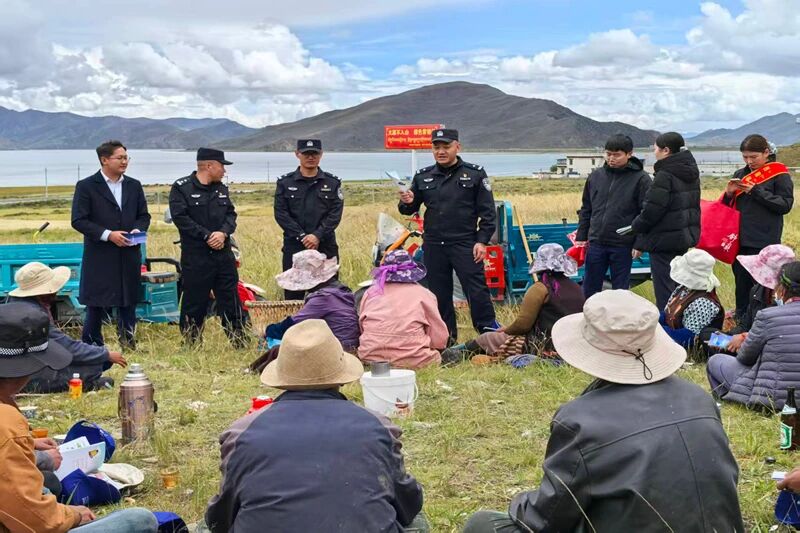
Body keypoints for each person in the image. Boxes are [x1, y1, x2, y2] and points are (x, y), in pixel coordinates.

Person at [463, 290, 744, 533]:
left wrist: (520, 501)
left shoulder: (580, 420)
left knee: (482, 523)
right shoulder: (699, 398)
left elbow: (546, 518)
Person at [206, 319, 428, 532]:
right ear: (342, 377)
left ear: (281, 376)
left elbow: (220, 518)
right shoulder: (379, 428)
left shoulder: (240, 433)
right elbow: (408, 505)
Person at [0, 301, 158, 533]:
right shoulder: (7, 423)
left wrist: (28, 445)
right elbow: (37, 520)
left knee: (47, 484)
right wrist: (72, 515)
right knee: (140, 520)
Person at [398, 128, 497, 343]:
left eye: (446, 146)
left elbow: (488, 213)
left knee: (476, 291)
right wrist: (406, 201)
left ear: (457, 147)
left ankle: (489, 335)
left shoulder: (475, 174)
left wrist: (482, 241)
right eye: (436, 147)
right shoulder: (423, 176)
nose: (441, 151)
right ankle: (447, 340)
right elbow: (409, 208)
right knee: (439, 294)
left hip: (465, 243)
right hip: (434, 245)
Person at [442, 243, 584, 364]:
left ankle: (452, 354)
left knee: (488, 338)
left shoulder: (539, 289)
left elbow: (523, 325)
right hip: (571, 345)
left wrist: (506, 330)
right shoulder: (577, 288)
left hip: (545, 346)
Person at [71, 140, 150, 349]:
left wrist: (137, 229)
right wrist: (108, 234)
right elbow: (78, 220)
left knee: (128, 300)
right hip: (100, 254)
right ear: (104, 160)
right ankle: (91, 345)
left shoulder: (134, 185)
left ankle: (128, 341)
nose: (125, 161)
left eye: (126, 157)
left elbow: (144, 215)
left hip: (129, 252)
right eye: (120, 157)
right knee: (96, 303)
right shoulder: (87, 186)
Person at [5, 262, 127, 392]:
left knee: (95, 362)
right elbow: (67, 347)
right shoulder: (33, 316)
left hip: (15, 369)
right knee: (94, 367)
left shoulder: (15, 305)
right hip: (25, 375)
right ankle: (89, 383)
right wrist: (105, 354)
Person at [168, 148, 246, 347]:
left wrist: (223, 233)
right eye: (222, 166)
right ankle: (192, 342)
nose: (224, 171)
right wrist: (206, 235)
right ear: (209, 166)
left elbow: (231, 215)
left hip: (223, 255)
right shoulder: (181, 188)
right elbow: (181, 218)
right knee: (195, 301)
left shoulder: (221, 188)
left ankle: (239, 340)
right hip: (196, 256)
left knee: (230, 299)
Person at [707, 261, 800, 411]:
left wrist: (745, 341)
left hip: (770, 399)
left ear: (782, 289)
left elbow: (745, 358)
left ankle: (725, 401)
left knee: (715, 361)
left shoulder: (767, 316)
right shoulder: (758, 296)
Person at [722, 134, 794, 320]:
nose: (749, 161)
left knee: (763, 286)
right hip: (739, 237)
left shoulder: (779, 174)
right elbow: (727, 208)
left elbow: (784, 205)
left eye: (753, 157)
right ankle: (741, 317)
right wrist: (729, 194)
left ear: (766, 152)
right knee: (741, 282)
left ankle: (763, 320)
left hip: (765, 238)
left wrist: (755, 191)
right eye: (745, 157)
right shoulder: (740, 174)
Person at [252, 250, 359, 373]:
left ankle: (253, 371)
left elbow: (293, 325)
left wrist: (268, 330)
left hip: (336, 351)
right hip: (347, 348)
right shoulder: (341, 292)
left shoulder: (323, 298)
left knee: (279, 350)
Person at [575, 134, 651, 299]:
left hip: (623, 245)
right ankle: (587, 320)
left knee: (620, 291)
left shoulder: (641, 179)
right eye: (608, 154)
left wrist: (640, 244)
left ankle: (618, 322)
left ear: (629, 154)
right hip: (596, 242)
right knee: (589, 288)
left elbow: (646, 214)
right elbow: (586, 208)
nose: (611, 158)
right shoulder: (596, 176)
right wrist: (582, 235)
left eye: (617, 155)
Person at [631, 132, 701, 310]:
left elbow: (652, 210)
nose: (654, 151)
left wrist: (636, 227)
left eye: (655, 148)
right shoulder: (689, 171)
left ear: (666, 150)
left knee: (664, 288)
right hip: (682, 236)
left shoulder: (665, 174)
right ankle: (680, 322)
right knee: (678, 284)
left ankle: (667, 328)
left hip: (663, 240)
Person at [274, 139, 344, 300]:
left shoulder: (332, 183)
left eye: (315, 153)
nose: (311, 157)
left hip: (324, 246)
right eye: (306, 153)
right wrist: (302, 236)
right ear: (297, 154)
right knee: (293, 297)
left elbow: (335, 214)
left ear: (321, 154)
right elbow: (281, 213)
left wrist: (317, 235)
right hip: (295, 246)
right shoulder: (285, 183)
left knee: (328, 294)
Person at [358, 250, 448, 369]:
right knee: (437, 357)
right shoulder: (423, 294)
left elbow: (362, 325)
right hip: (414, 358)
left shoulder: (371, 292)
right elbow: (439, 337)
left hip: (371, 356)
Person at [725, 244, 796, 351]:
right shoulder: (757, 290)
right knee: (708, 335)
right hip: (751, 342)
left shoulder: (792, 299)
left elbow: (783, 334)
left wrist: (745, 338)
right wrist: (728, 337)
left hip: (773, 348)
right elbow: (746, 324)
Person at [659, 249, 724, 350]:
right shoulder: (683, 288)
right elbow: (667, 314)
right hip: (672, 336)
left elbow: (687, 338)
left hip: (688, 346)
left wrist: (657, 331)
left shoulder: (703, 302)